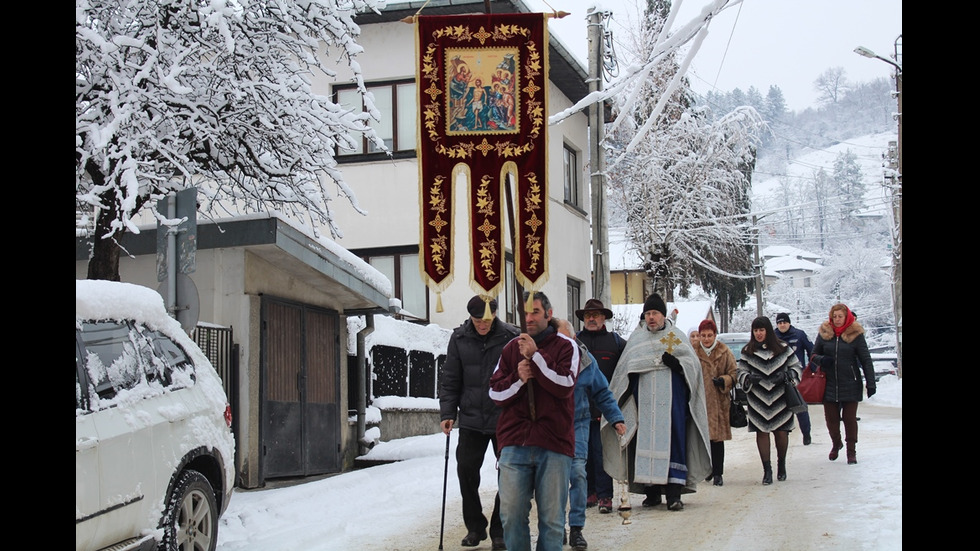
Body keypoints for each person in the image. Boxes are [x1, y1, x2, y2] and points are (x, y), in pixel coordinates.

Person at [600, 293, 711, 512]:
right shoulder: (636, 339)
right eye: (648, 313)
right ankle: (651, 493)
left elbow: (693, 368)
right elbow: (624, 370)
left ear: (663, 315)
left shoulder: (676, 337)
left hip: (673, 404)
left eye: (655, 313)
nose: (651, 317)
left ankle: (674, 495)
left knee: (674, 442)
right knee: (644, 442)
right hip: (644, 404)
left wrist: (678, 365)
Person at [489, 291, 578, 551]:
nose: (529, 318)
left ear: (548, 314)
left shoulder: (566, 346)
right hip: (515, 443)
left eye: (535, 312)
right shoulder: (509, 349)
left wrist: (537, 357)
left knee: (551, 520)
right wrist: (518, 379)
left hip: (553, 443)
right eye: (525, 312)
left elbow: (565, 384)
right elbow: (495, 393)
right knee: (511, 515)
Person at [440, 295, 520, 550]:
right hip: (472, 418)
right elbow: (451, 378)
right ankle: (475, 527)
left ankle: (499, 528)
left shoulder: (511, 336)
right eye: (477, 320)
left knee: (507, 475)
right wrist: (447, 413)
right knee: (465, 470)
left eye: (486, 319)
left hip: (503, 418)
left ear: (495, 315)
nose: (482, 325)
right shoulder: (460, 338)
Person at [556, 318, 626, 551]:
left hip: (578, 422)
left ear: (573, 338)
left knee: (577, 473)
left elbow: (602, 391)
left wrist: (615, 417)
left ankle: (576, 528)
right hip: (550, 426)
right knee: (553, 480)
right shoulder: (545, 356)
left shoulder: (584, 359)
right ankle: (557, 527)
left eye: (565, 338)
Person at [573, 298, 627, 514]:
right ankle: (589, 493)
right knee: (583, 454)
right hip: (579, 409)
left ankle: (605, 496)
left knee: (602, 453)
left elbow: (629, 365)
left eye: (596, 315)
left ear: (604, 318)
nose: (592, 319)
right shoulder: (574, 342)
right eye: (588, 316)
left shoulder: (616, 343)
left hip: (605, 410)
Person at [736, 316, 803, 485]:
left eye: (762, 330)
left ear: (768, 331)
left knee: (781, 431)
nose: (759, 334)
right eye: (756, 330)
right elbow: (740, 372)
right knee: (762, 432)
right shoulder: (747, 351)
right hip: (758, 399)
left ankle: (782, 465)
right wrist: (749, 378)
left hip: (781, 397)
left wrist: (787, 375)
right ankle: (767, 470)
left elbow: (796, 367)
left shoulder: (783, 348)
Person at [810, 303, 876, 464]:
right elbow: (813, 355)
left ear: (846, 317)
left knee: (849, 418)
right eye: (835, 317)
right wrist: (822, 360)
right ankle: (836, 443)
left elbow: (865, 360)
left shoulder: (855, 334)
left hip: (851, 382)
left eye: (840, 317)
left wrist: (871, 382)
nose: (837, 320)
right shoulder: (825, 333)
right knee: (831, 419)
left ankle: (851, 450)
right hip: (829, 383)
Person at [694, 319, 737, 487]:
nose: (706, 339)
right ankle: (707, 468)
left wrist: (724, 380)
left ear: (715, 335)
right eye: (702, 335)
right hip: (700, 401)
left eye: (709, 335)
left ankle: (718, 472)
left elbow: (734, 373)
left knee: (717, 440)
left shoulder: (724, 352)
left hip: (719, 402)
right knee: (702, 439)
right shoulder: (693, 351)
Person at [773, 312, 815, 445]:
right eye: (779, 323)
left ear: (789, 323)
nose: (782, 325)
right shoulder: (772, 336)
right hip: (778, 377)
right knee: (779, 409)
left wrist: (811, 369)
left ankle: (806, 434)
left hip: (795, 377)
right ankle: (783, 435)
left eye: (784, 322)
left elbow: (812, 351)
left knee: (799, 406)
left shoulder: (799, 334)